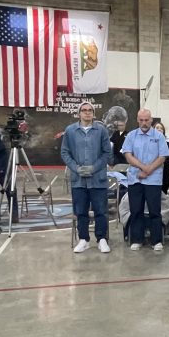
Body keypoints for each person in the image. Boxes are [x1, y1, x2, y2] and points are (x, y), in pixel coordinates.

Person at [60, 102, 113, 253]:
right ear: (79, 113)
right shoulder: (70, 131)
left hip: (98, 180)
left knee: (101, 211)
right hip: (79, 181)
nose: (87, 112)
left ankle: (102, 239)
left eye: (90, 110)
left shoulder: (101, 131)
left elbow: (107, 153)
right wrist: (76, 168)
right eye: (84, 110)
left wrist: (94, 168)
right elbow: (64, 152)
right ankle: (84, 240)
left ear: (93, 114)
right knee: (81, 211)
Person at [123, 108, 169, 250]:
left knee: (155, 211)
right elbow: (128, 155)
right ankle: (137, 240)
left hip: (153, 180)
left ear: (151, 120)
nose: (144, 123)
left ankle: (156, 241)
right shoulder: (131, 136)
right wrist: (143, 167)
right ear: (137, 120)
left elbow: (162, 156)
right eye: (141, 120)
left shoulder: (159, 136)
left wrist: (149, 170)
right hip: (135, 179)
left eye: (146, 120)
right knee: (136, 210)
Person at [154, 121, 169, 194]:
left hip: (164, 176)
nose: (159, 129)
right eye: (157, 128)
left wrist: (160, 163)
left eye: (161, 128)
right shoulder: (149, 144)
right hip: (151, 176)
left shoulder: (167, 145)